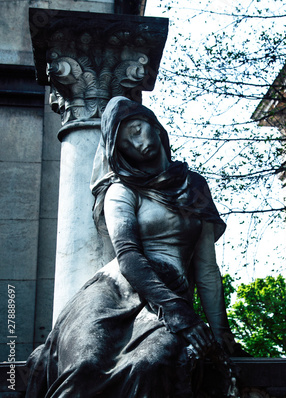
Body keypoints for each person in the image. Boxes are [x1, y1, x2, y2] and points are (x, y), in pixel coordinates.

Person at [26, 96, 245, 398]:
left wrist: (221, 332)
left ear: (155, 127)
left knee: (152, 362)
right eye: (127, 140)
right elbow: (128, 255)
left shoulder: (193, 186)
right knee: (85, 365)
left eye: (139, 129)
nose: (138, 142)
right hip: (115, 293)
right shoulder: (121, 189)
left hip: (168, 298)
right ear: (119, 151)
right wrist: (177, 310)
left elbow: (206, 268)